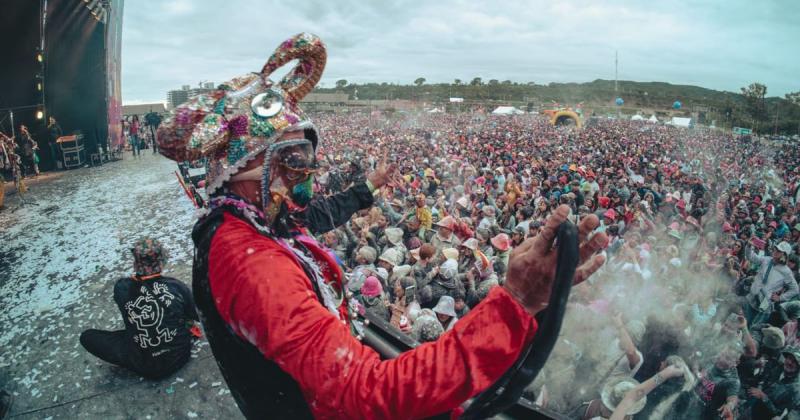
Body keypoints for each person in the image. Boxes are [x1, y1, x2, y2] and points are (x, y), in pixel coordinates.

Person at [157, 33, 607, 419]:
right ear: (242, 169)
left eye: (309, 157)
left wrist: (365, 190)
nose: (308, 173)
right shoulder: (251, 263)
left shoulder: (255, 223)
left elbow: (314, 217)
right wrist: (518, 303)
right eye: (293, 159)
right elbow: (364, 392)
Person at [79, 238, 198, 379]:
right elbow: (196, 314)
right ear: (161, 263)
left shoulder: (121, 287)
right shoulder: (176, 287)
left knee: (88, 337)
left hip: (143, 363)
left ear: (135, 264)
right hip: (179, 356)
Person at [743, 240, 798, 325]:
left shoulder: (786, 272)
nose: (775, 251)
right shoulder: (767, 260)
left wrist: (780, 298)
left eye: (779, 251)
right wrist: (749, 247)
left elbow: (795, 289)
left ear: (784, 255)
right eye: (775, 249)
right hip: (752, 297)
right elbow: (751, 257)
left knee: (753, 328)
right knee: (743, 323)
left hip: (765, 306)